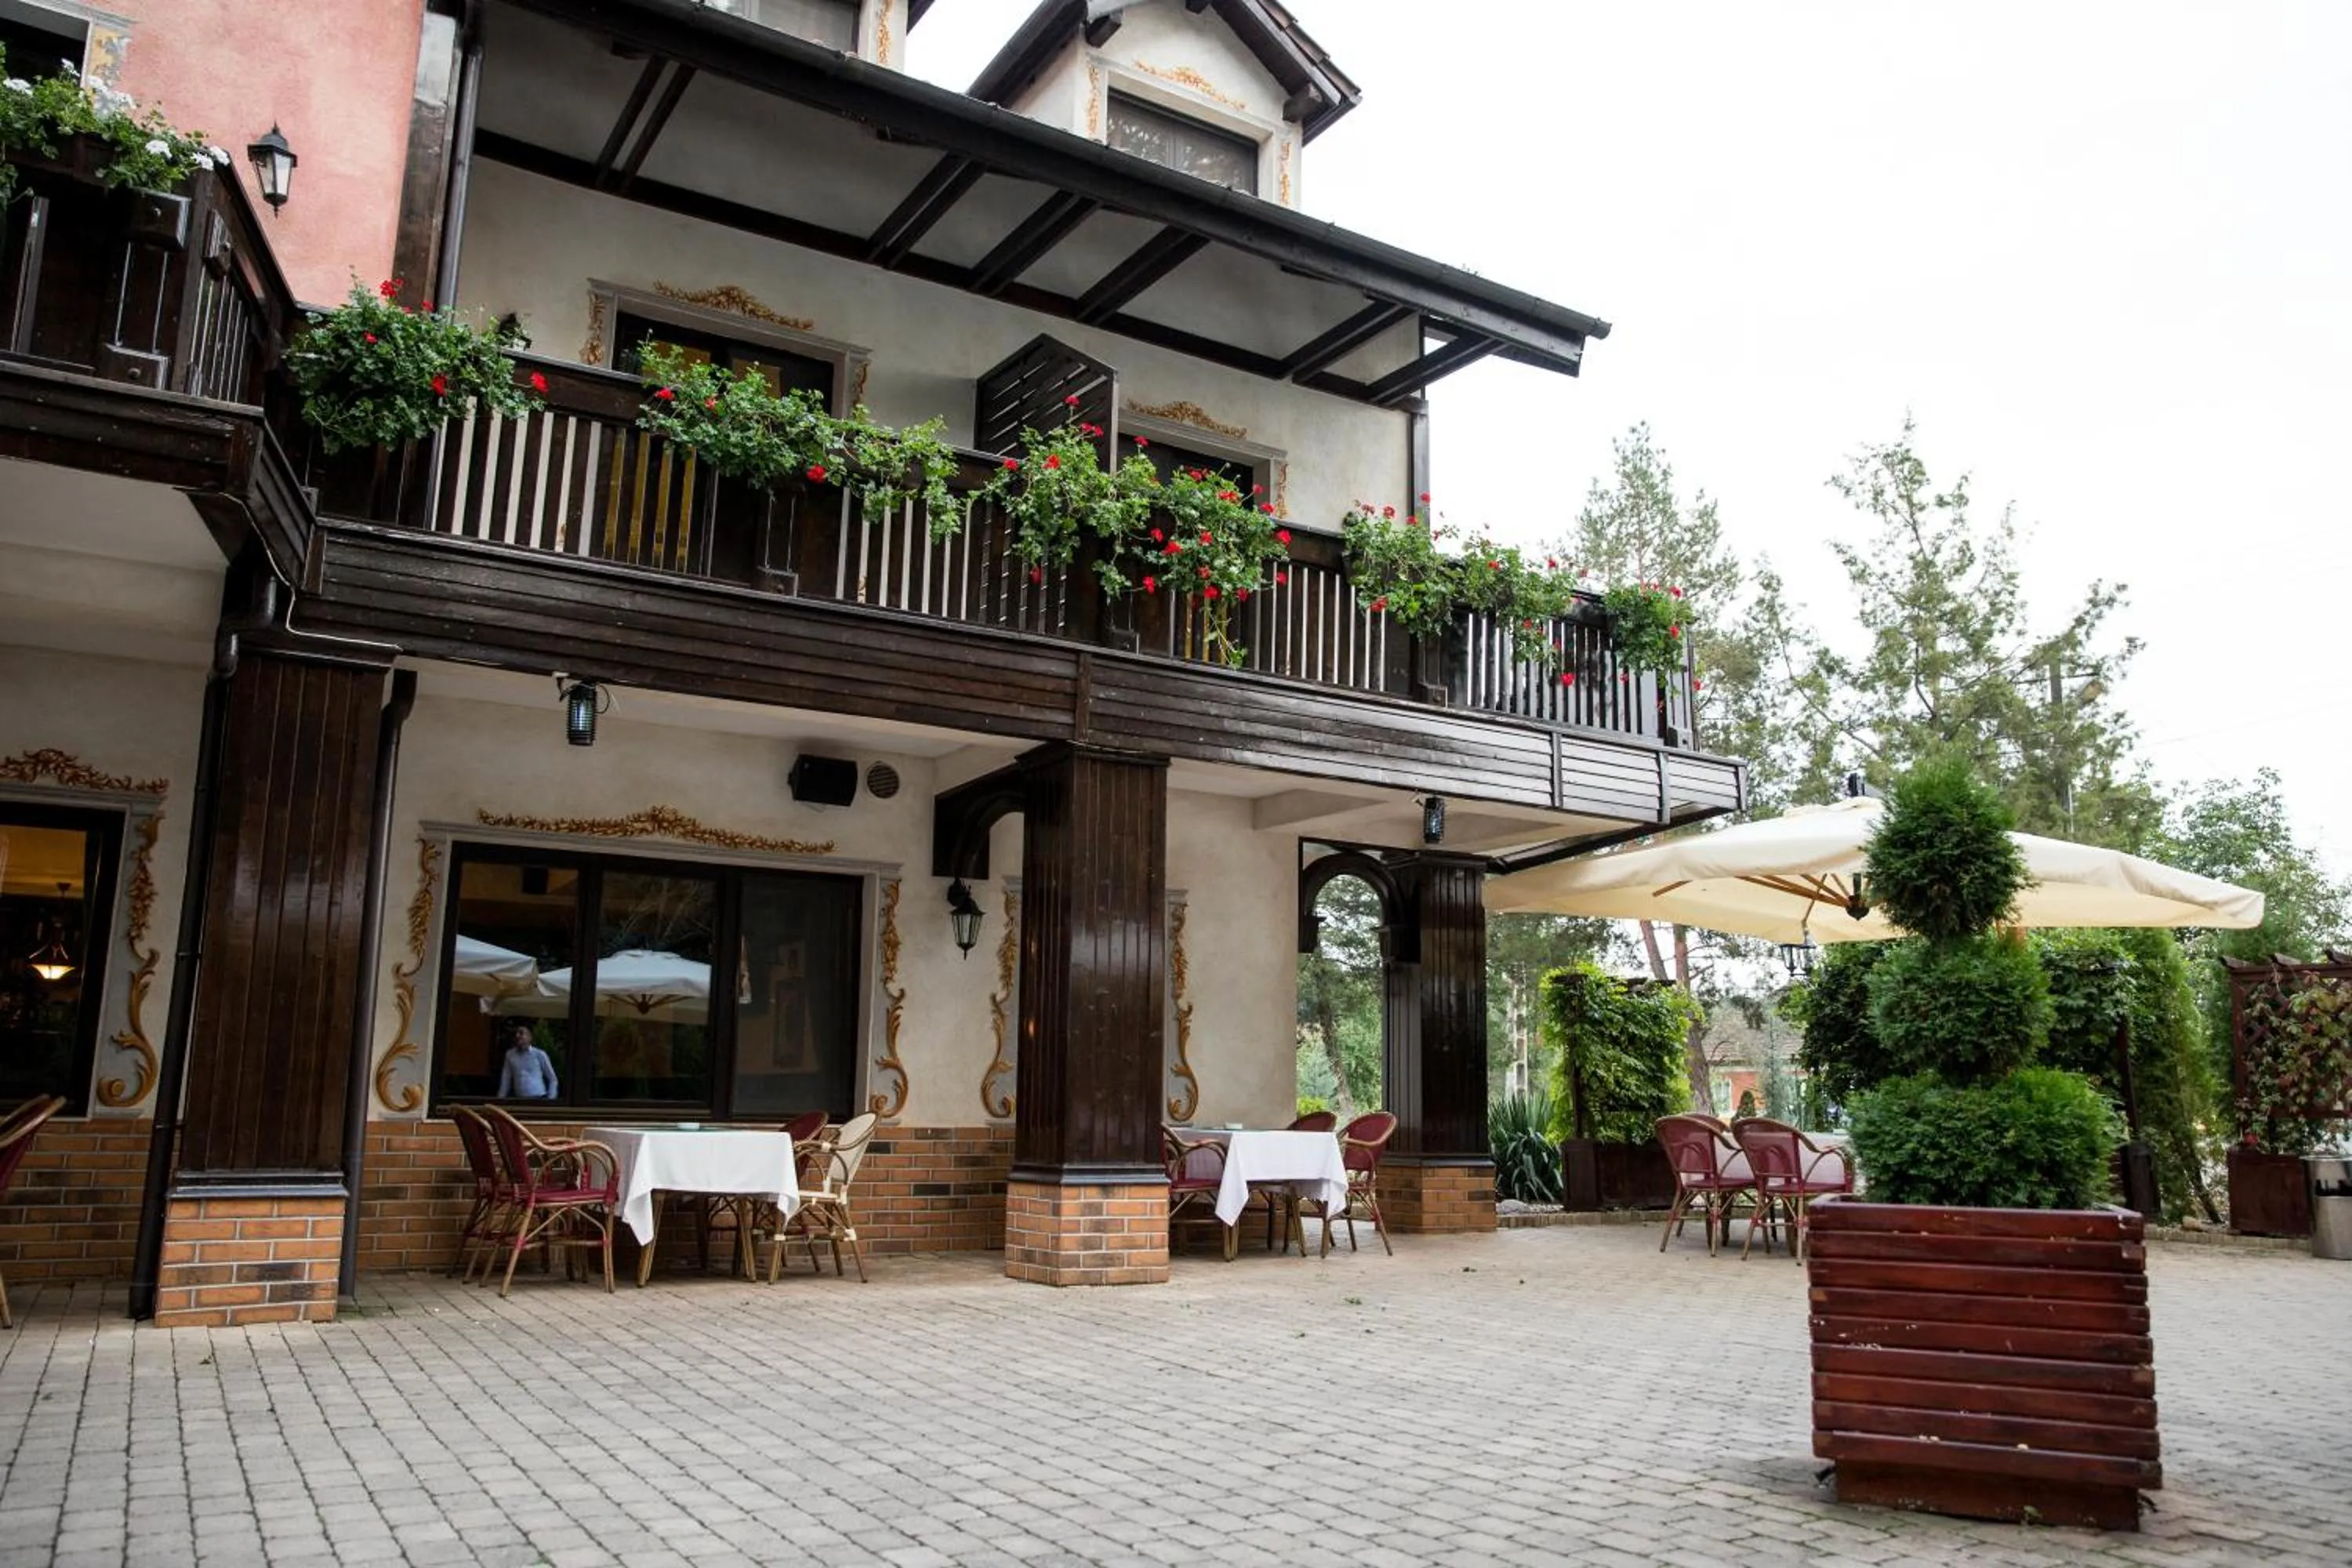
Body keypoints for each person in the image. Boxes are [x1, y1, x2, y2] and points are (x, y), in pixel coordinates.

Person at [495, 1020, 560, 1101]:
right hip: (519, 1099)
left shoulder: (539, 1054)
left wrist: (551, 1099)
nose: (517, 1036)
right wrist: (500, 1100)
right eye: (516, 1033)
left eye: (521, 1033)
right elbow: (506, 1079)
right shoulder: (510, 1055)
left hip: (539, 1098)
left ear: (530, 1037)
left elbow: (552, 1079)